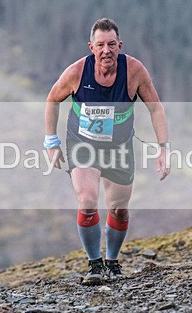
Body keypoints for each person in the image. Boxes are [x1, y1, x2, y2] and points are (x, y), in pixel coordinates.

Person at [45, 18, 170, 285]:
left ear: (119, 45)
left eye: (111, 44)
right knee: (88, 201)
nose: (106, 51)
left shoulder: (134, 71)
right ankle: (94, 265)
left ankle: (112, 262)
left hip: (119, 147)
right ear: (91, 47)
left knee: (119, 210)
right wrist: (51, 142)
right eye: (100, 45)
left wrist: (163, 148)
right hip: (83, 143)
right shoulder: (77, 72)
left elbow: (156, 108)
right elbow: (52, 99)